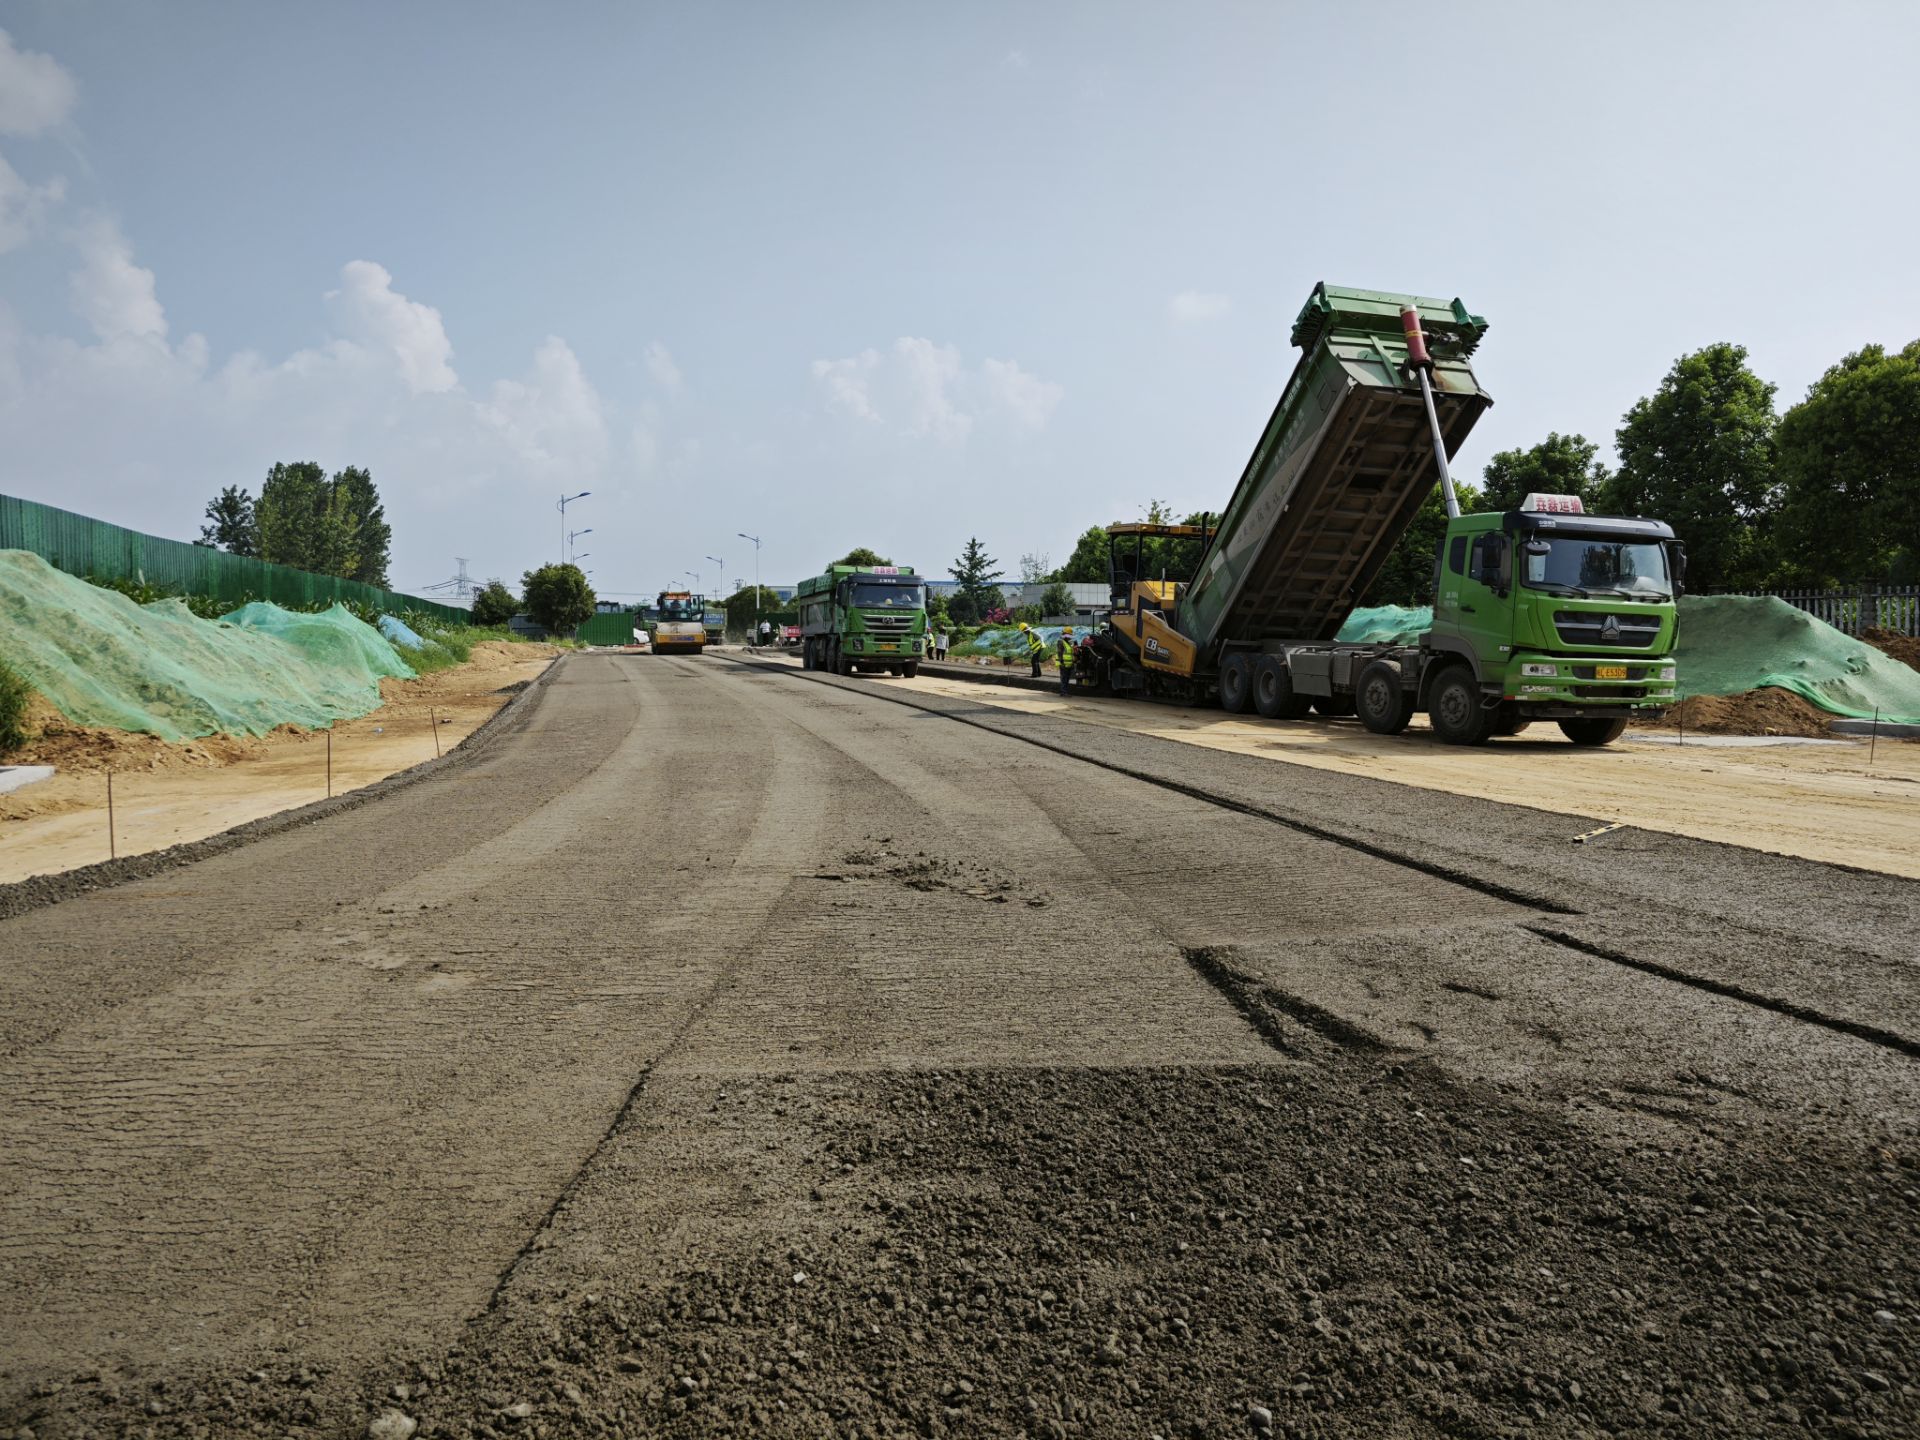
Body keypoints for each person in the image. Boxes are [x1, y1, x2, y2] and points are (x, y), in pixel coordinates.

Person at [1056, 627, 1076, 695]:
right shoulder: (1061, 642)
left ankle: (1065, 691)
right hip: (1064, 664)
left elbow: (1070, 653)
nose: (1070, 637)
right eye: (1069, 635)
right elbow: (1059, 653)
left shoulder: (1069, 643)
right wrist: (1062, 662)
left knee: (1066, 678)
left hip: (1069, 664)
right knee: (1064, 678)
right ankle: (1063, 691)